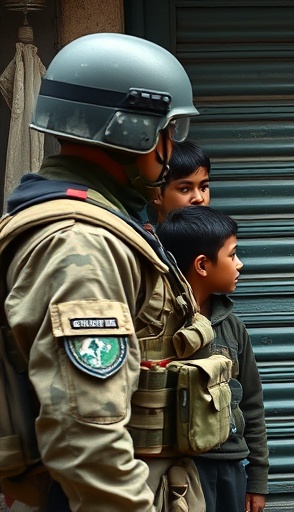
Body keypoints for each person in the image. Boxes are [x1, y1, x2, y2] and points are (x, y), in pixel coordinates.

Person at [0, 33, 213, 510]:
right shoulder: (82, 244)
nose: (169, 147)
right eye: (167, 130)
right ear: (132, 130)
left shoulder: (102, 220)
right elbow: (86, 439)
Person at [156, 206, 269, 512]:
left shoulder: (233, 329)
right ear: (202, 265)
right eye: (232, 255)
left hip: (231, 468)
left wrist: (256, 478)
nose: (239, 264)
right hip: (180, 471)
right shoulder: (159, 328)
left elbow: (252, 403)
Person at [150, 139, 211, 225]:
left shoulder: (219, 235)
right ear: (157, 194)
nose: (199, 198)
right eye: (184, 189)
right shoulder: (138, 236)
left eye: (203, 188)